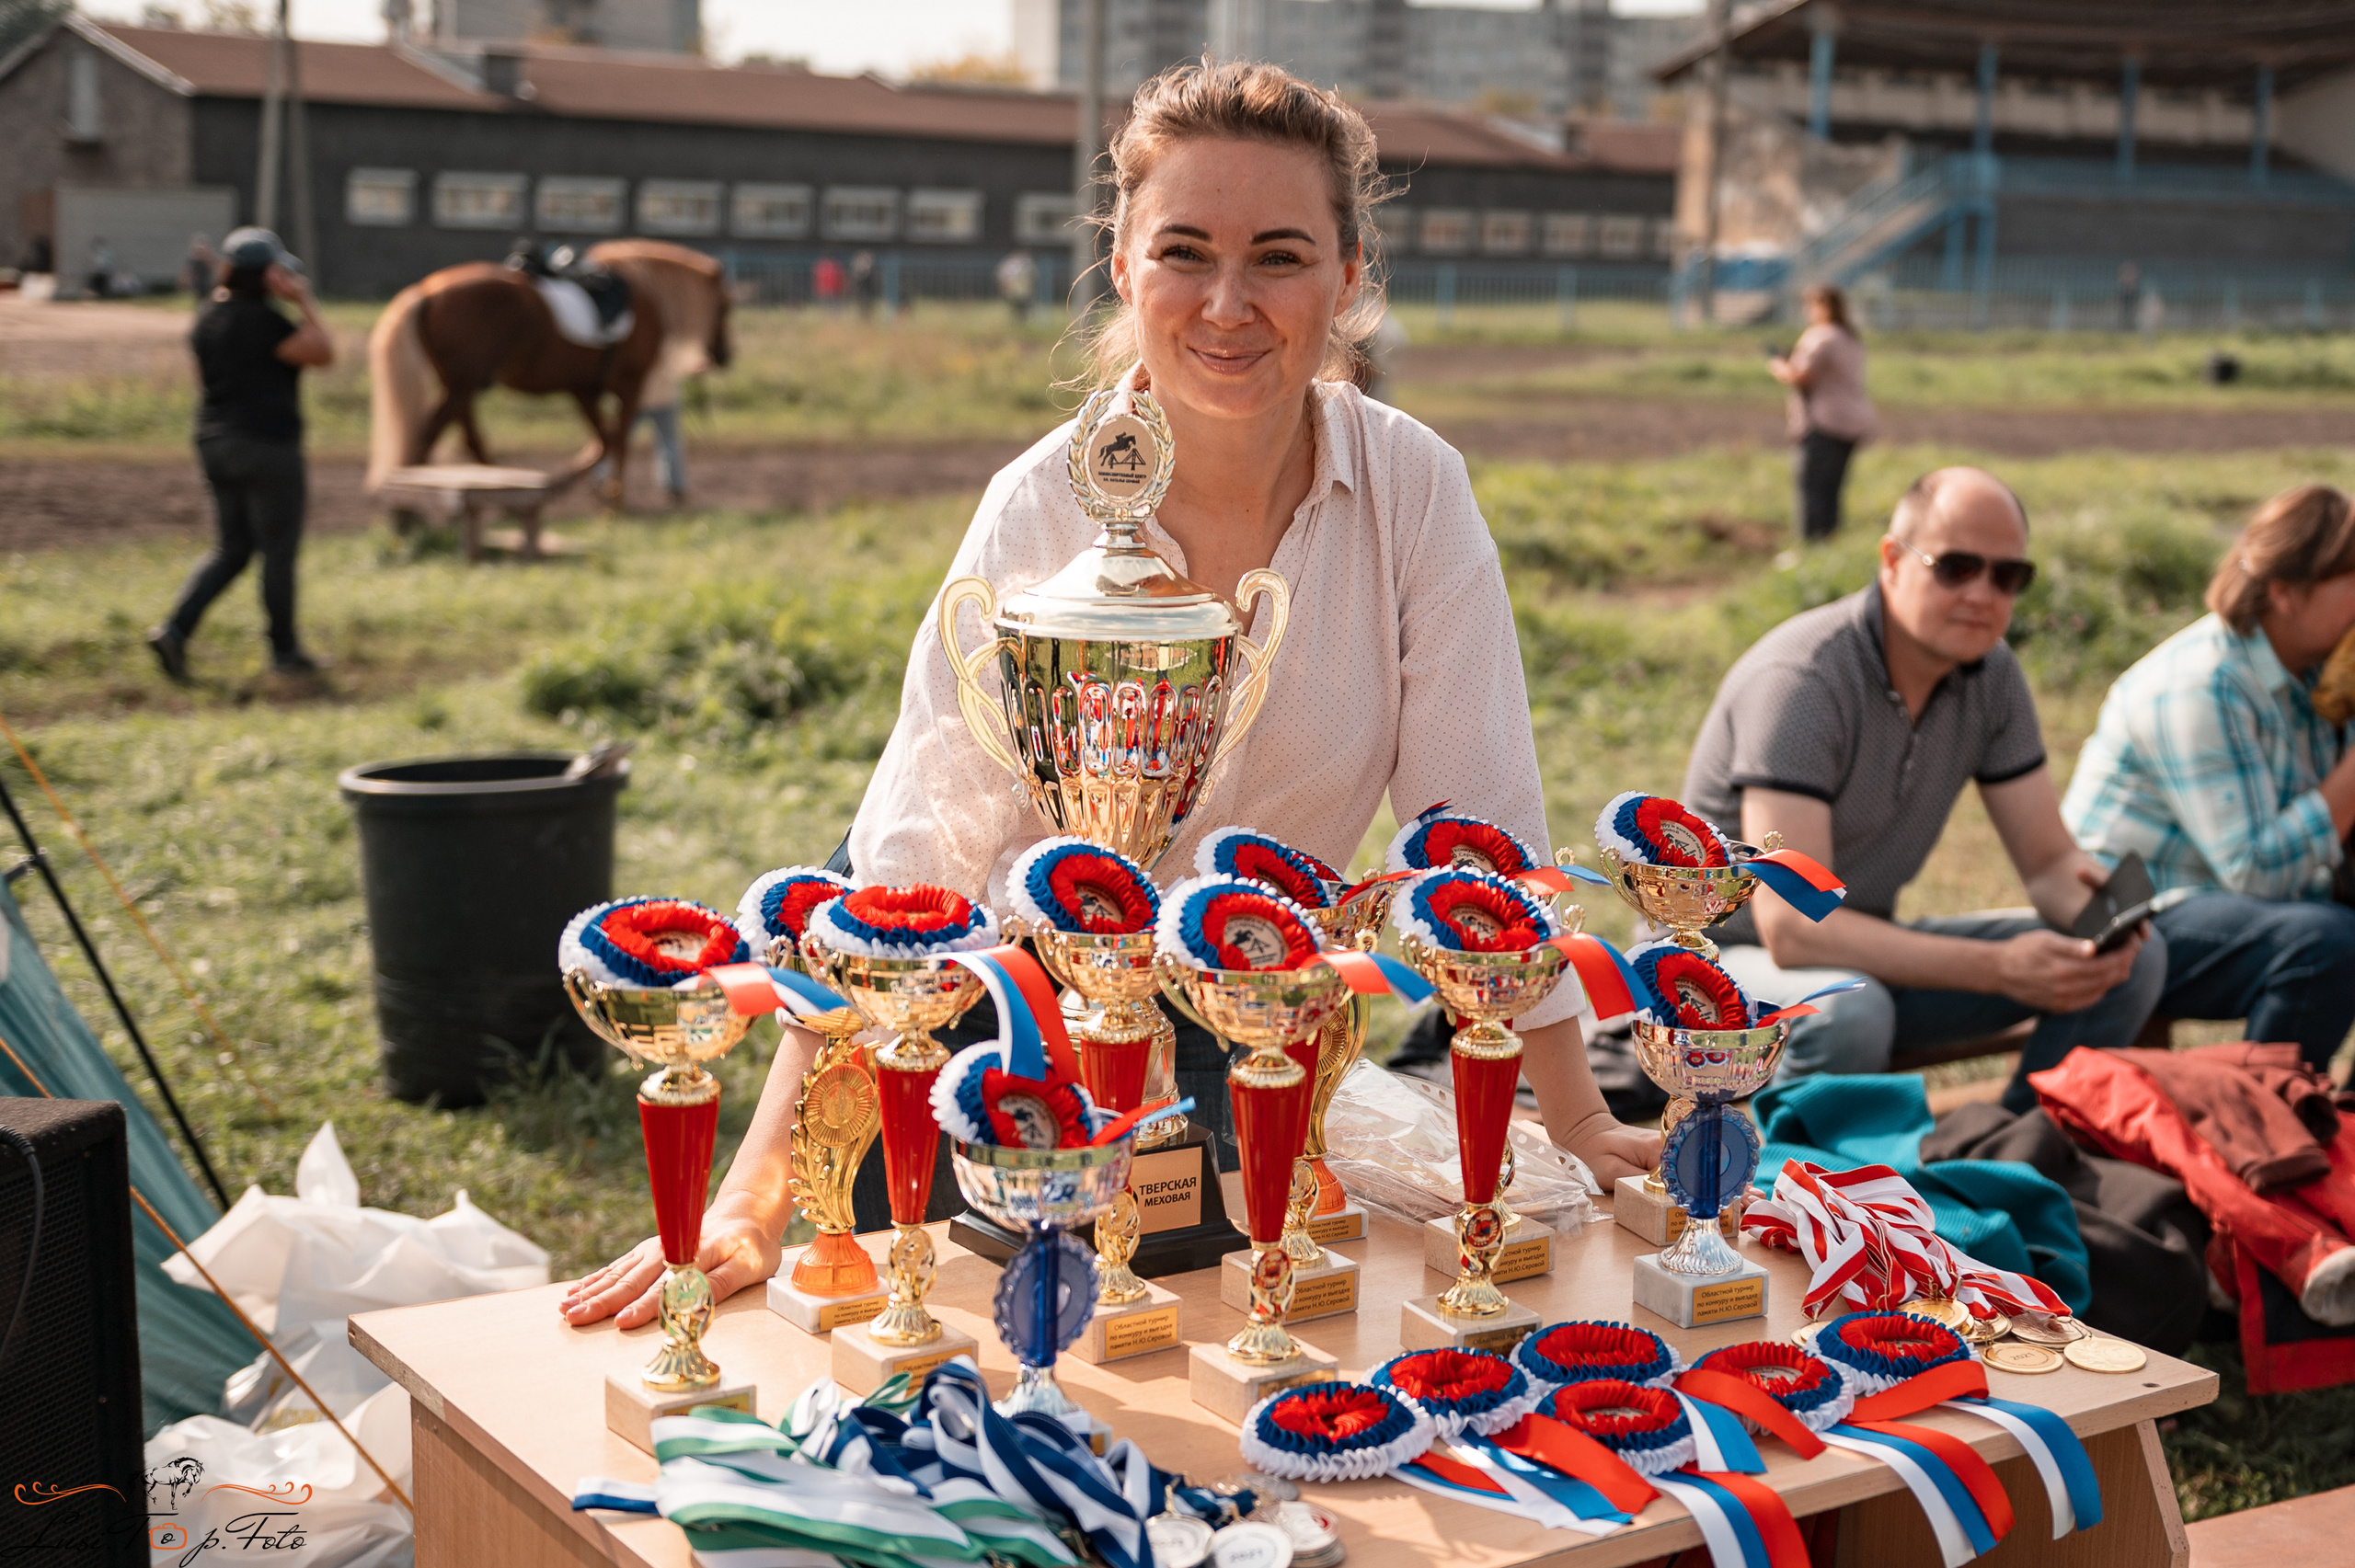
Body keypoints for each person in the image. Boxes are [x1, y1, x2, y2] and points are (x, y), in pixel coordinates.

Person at [562, 60, 1663, 1332]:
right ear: (1125, 268)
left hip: (1246, 1022)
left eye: (1281, 257)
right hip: (992, 1025)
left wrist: (1576, 1112)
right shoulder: (1040, 499)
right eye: (1185, 252)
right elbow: (914, 850)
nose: (1228, 303)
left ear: (1351, 278)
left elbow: (1482, 823)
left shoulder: (1415, 489)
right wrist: (757, 1192)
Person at [1682, 466, 2164, 1114]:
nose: (1982, 594)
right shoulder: (1802, 681)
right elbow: (1793, 926)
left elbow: (2048, 862)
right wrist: (1997, 967)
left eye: (2007, 575)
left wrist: (2100, 919)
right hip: (1719, 963)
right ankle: (1808, 1194)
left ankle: (2013, 1150)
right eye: (1957, 566)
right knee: (1852, 1013)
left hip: (1861, 960)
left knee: (2131, 963)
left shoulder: (1992, 676)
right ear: (1891, 559)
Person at [2062, 484, 2355, 1072]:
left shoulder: (2319, 669)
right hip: (2130, 917)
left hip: (2222, 898)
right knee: (2325, 944)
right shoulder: (2200, 682)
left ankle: (2338, 1122)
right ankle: (2262, 1130)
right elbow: (2255, 872)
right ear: (2285, 594)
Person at [147, 228, 333, 682]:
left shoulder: (206, 318)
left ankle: (175, 630)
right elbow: (323, 353)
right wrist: (303, 302)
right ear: (269, 273)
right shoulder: (266, 321)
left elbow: (204, 383)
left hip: (214, 443)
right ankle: (285, 653)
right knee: (278, 552)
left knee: (232, 549)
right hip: (268, 447)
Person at [1767, 283, 1873, 544]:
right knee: (1832, 490)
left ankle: (1810, 549)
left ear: (1823, 307)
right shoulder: (1850, 337)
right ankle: (1829, 545)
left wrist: (1779, 366)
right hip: (1852, 421)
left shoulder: (1820, 337)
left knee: (1812, 490)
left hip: (1823, 422)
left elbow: (1800, 376)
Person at [995, 248, 1036, 325]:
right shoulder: (1013, 263)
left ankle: (1021, 320)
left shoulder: (1026, 263)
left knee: (1022, 306)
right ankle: (1019, 320)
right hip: (1016, 290)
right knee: (1018, 306)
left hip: (1022, 291)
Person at [182, 233, 216, 301]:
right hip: (197, 283)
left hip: (207, 283)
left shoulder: (208, 258)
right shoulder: (193, 260)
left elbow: (215, 268)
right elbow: (187, 271)